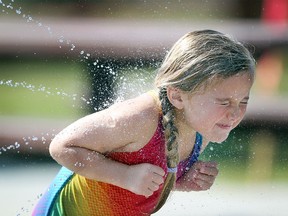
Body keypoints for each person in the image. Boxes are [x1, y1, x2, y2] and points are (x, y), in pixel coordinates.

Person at [32, 30, 256, 216]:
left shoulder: (203, 127)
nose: (235, 113)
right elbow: (62, 146)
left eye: (243, 100)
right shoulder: (139, 119)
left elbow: (145, 178)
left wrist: (179, 180)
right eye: (224, 102)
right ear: (177, 96)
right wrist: (124, 176)